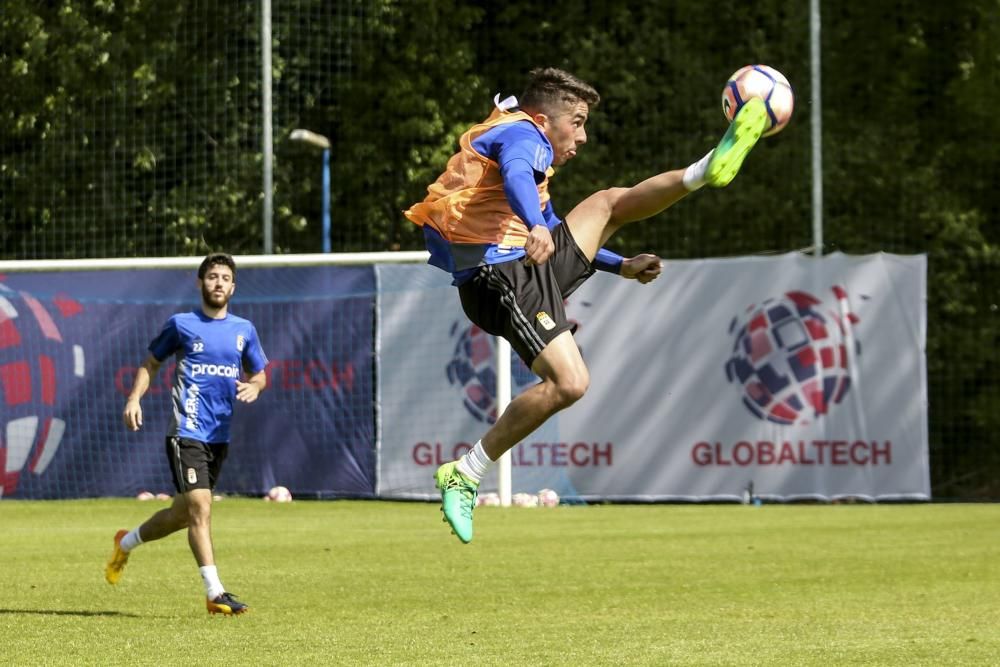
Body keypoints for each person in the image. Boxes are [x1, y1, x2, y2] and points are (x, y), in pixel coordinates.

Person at [404, 67, 767, 543]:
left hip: (518, 268)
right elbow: (518, 180)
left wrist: (622, 265)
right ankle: (466, 471)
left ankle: (705, 169)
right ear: (543, 119)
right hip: (501, 274)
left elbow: (556, 228)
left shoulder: (526, 152)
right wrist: (534, 225)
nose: (583, 135)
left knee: (606, 204)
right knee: (570, 382)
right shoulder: (523, 134)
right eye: (575, 121)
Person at [105, 252, 269, 615]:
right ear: (200, 282)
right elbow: (151, 363)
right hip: (186, 430)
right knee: (201, 506)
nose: (218, 283)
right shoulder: (181, 324)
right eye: (212, 276)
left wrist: (256, 386)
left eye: (225, 278)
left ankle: (126, 542)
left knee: (182, 514)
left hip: (218, 436)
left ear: (233, 287)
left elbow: (259, 373)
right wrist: (134, 398)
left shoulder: (244, 330)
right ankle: (214, 593)